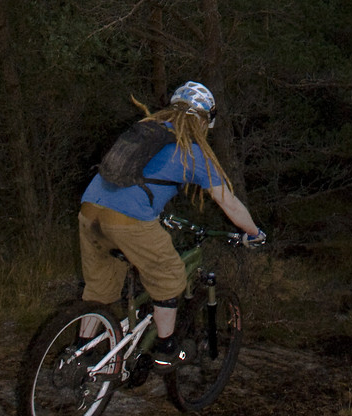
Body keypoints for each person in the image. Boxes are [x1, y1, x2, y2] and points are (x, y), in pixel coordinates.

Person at [78, 80, 264, 365]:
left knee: (99, 290)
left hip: (90, 211)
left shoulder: (142, 132)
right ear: (204, 122)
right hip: (128, 220)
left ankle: (80, 352)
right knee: (169, 277)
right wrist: (253, 232)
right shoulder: (193, 153)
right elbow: (228, 202)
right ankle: (165, 351)